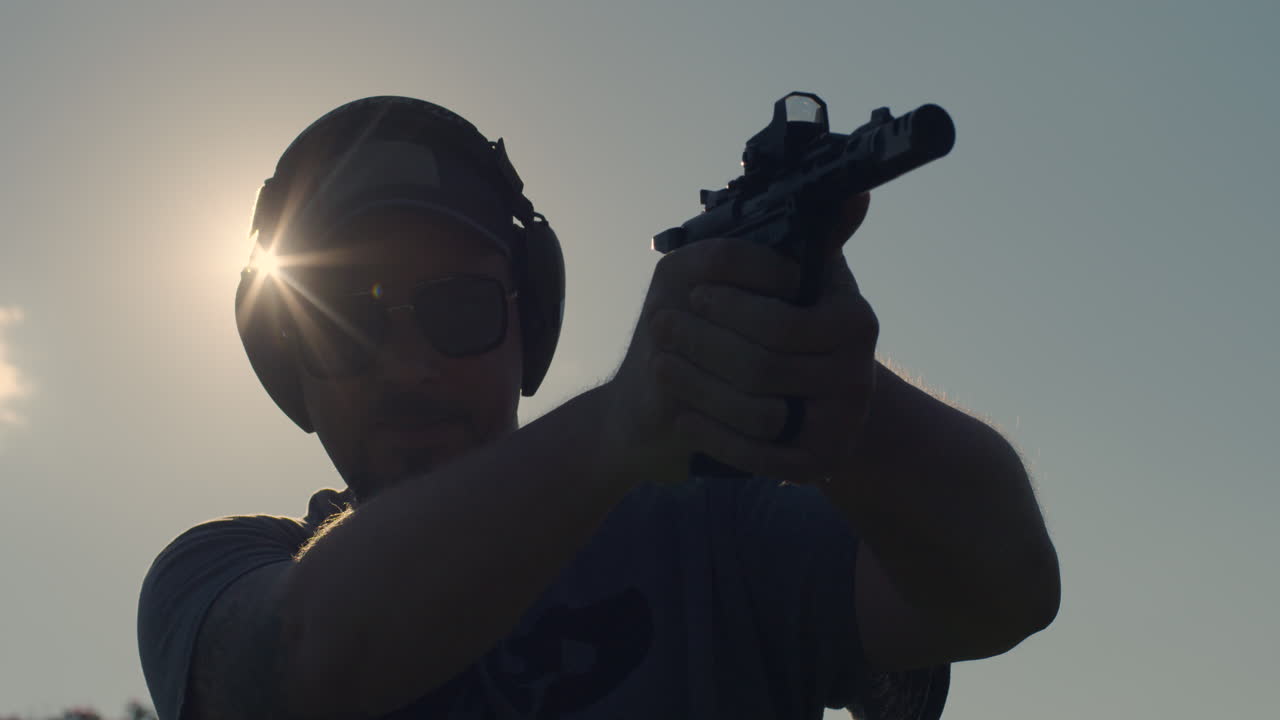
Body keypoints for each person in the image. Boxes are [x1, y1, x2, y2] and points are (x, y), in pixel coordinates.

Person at [136, 96, 1060, 720]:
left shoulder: (715, 535)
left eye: (457, 308)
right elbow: (295, 663)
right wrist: (618, 424)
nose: (409, 364)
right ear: (286, 361)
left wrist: (854, 413)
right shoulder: (214, 574)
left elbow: (1005, 590)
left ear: (524, 324)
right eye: (343, 322)